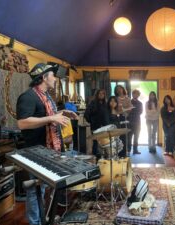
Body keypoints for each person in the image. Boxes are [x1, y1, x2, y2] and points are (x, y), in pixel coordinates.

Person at [16, 63, 78, 225]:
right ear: (44, 77)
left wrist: (62, 113)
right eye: (53, 75)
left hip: (47, 151)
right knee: (35, 191)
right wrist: (51, 118)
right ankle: (35, 222)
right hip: (35, 152)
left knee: (43, 189)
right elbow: (22, 123)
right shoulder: (28, 97)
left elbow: (46, 116)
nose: (56, 79)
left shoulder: (46, 96)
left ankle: (43, 220)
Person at [84, 89, 109, 157]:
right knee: (95, 142)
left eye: (103, 93)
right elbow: (86, 114)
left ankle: (103, 159)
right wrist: (92, 121)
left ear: (104, 95)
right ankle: (96, 158)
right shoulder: (93, 103)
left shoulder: (106, 104)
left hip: (104, 126)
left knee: (104, 142)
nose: (101, 95)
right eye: (99, 93)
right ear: (97, 95)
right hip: (95, 126)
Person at [114, 85, 133, 156]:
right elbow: (115, 109)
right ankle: (117, 152)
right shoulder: (115, 98)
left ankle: (124, 152)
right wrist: (121, 110)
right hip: (117, 118)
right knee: (118, 136)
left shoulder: (127, 98)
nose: (119, 90)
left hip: (126, 118)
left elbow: (130, 108)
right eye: (117, 89)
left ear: (123, 89)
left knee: (125, 136)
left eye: (120, 89)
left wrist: (124, 111)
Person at [128, 89, 143, 154]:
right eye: (134, 94)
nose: (135, 95)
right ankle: (128, 150)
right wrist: (133, 110)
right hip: (130, 122)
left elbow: (140, 112)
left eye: (137, 94)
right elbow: (128, 111)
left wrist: (132, 110)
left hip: (137, 122)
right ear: (132, 94)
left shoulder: (140, 103)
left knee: (136, 137)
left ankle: (135, 150)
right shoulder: (129, 102)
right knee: (129, 137)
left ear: (138, 95)